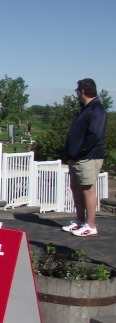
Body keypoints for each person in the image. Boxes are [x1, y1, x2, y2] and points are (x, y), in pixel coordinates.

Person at [61, 78, 107, 237]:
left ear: (83, 91)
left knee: (87, 189)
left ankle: (90, 225)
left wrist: (80, 152)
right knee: (76, 187)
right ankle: (80, 221)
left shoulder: (97, 109)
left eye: (77, 91)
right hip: (76, 157)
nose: (76, 94)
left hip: (88, 156)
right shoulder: (84, 109)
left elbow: (94, 134)